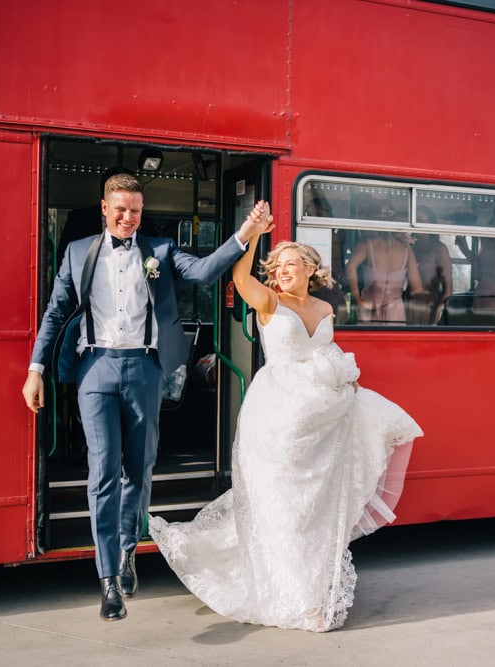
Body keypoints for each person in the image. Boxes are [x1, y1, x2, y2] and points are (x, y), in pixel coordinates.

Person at [149, 214, 423, 632]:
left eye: (289, 264)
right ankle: (295, 598)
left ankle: (311, 591)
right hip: (278, 420)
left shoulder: (325, 307)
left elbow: (327, 358)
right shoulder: (268, 302)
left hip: (321, 422)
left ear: (310, 269)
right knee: (284, 511)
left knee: (313, 511)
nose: (281, 271)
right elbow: (241, 278)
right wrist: (254, 235)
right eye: (276, 266)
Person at [22, 172, 270, 622]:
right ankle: (108, 580)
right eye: (120, 208)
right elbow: (56, 311)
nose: (127, 217)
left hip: (145, 369)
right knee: (102, 471)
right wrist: (35, 370)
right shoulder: (78, 253)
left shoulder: (159, 250)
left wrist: (245, 234)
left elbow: (204, 271)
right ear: (104, 207)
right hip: (94, 368)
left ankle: (128, 549)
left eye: (135, 210)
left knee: (138, 469)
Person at [345, 231, 425, 324]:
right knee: (395, 337)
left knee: (367, 337)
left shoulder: (367, 244)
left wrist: (358, 299)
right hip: (396, 309)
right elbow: (417, 288)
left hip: (370, 305)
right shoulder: (407, 250)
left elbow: (350, 267)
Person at [410, 206, 452, 325]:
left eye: (420, 220)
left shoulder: (440, 249)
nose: (415, 225)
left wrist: (435, 317)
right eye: (414, 221)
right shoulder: (412, 248)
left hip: (429, 306)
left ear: (430, 224)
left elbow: (448, 291)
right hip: (408, 304)